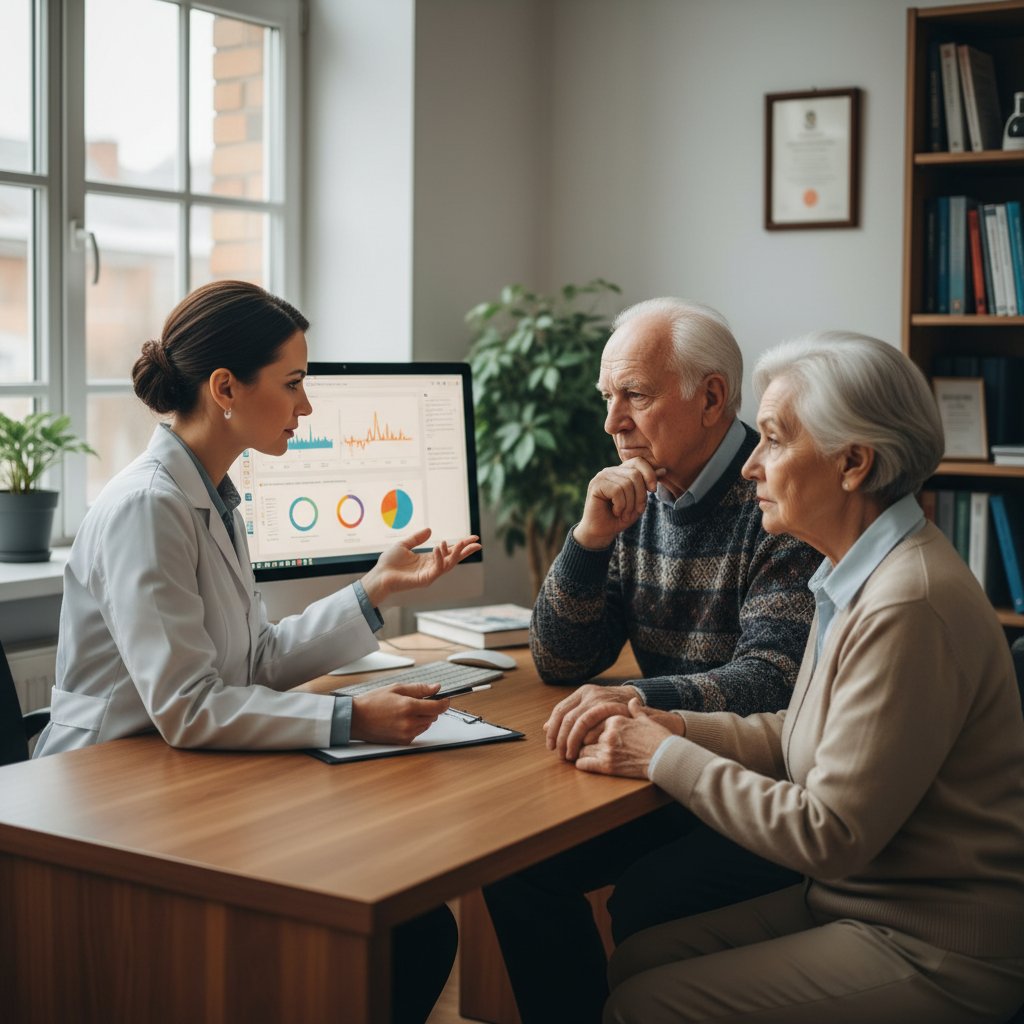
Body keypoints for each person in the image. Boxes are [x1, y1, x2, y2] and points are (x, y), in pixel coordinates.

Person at [33, 280, 478, 1023]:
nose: (307, 407)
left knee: (413, 923)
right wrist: (350, 719)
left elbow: (255, 659)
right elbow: (188, 706)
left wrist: (374, 591)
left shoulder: (211, 492)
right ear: (224, 388)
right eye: (295, 383)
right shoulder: (151, 505)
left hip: (181, 778)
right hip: (111, 799)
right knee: (408, 933)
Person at [576, 332, 1024, 1024]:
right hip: (852, 903)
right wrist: (677, 724)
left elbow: (828, 831)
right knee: (635, 958)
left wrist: (662, 756)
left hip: (933, 946)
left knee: (643, 1003)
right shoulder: (853, 570)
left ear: (853, 463)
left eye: (776, 440)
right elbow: (802, 732)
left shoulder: (909, 601)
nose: (751, 464)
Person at [483, 298, 820, 1023]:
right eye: (608, 398)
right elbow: (561, 659)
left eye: (634, 395)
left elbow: (773, 679)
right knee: (515, 874)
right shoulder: (641, 491)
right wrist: (588, 539)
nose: (612, 424)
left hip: (758, 784)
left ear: (712, 399)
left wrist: (636, 699)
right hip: (665, 768)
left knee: (651, 895)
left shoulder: (779, 497)